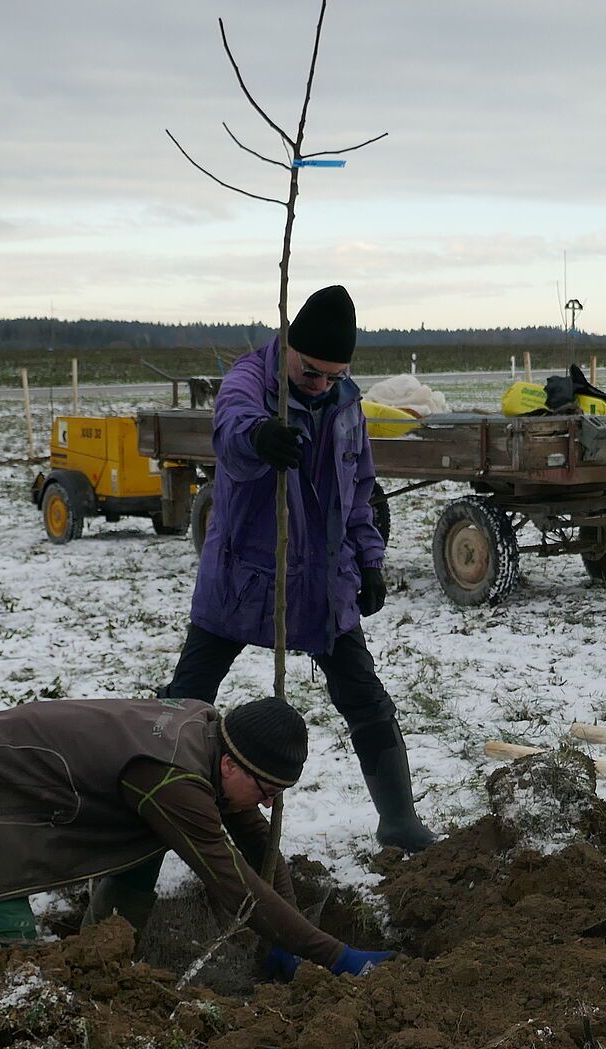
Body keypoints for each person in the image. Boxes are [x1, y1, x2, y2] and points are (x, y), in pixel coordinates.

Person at [0, 695, 391, 977]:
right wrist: (334, 956)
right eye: (266, 790)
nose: (268, 804)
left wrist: (290, 949)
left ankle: (95, 963)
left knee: (142, 843)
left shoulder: (211, 737)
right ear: (233, 767)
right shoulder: (173, 779)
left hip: (24, 793)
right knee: (11, 965)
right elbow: (233, 883)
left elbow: (261, 851)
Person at [155, 284, 436, 855]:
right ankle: (155, 815)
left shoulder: (347, 405)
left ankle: (400, 822)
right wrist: (261, 437)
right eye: (311, 373)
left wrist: (369, 562)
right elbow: (231, 430)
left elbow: (358, 492)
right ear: (287, 346)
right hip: (241, 580)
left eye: (334, 376)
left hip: (320, 586)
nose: (321, 386)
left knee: (366, 698)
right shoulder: (249, 383)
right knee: (183, 706)